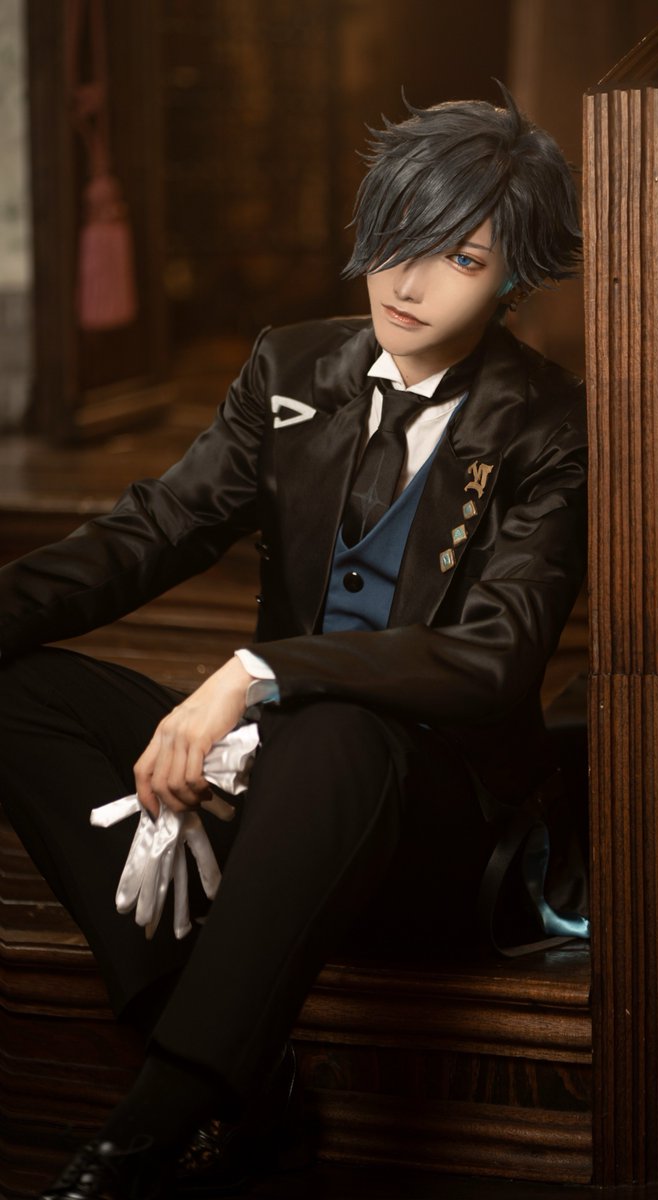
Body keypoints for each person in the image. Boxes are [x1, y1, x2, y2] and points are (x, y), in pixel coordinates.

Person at [0, 83, 586, 1199]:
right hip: (272, 787)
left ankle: (149, 1131)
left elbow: (495, 654)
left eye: (460, 257)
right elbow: (151, 532)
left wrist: (259, 671)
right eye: (397, 238)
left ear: (514, 277)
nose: (407, 282)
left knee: (336, 733)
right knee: (17, 690)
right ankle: (246, 1081)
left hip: (427, 826)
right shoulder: (291, 370)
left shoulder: (552, 423)